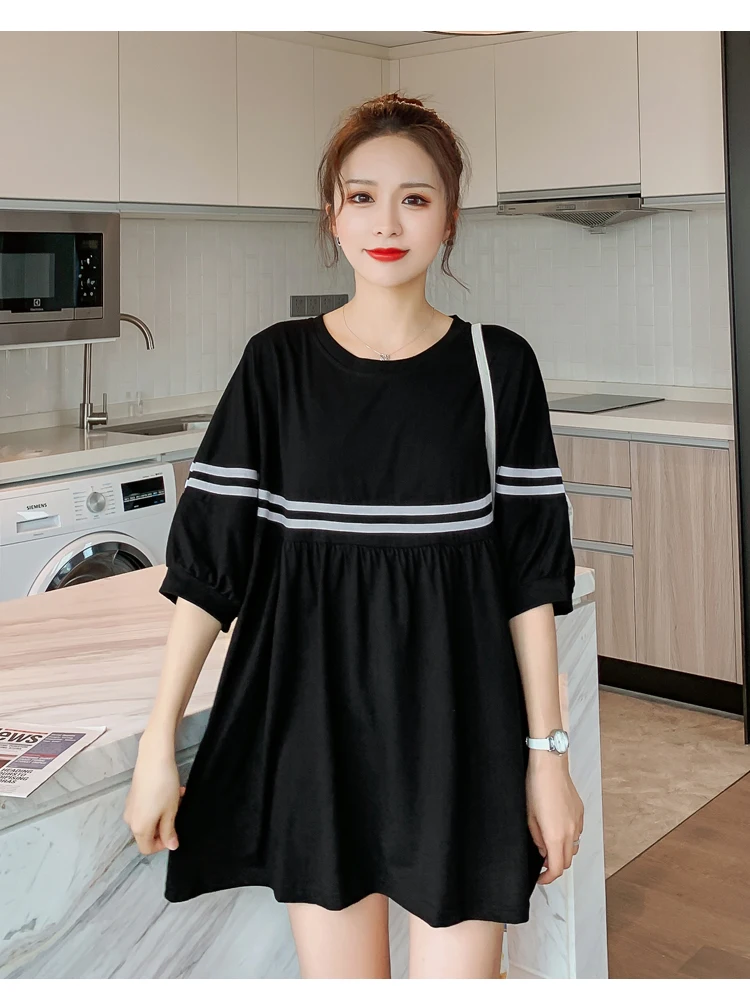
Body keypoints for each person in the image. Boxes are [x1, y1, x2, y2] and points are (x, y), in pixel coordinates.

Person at [123, 92, 584, 979]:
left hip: (461, 732)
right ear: (332, 214)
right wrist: (156, 744)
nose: (387, 222)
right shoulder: (276, 364)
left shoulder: (498, 367)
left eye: (415, 198)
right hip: (315, 732)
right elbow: (211, 572)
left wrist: (548, 757)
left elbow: (529, 580)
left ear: (450, 217)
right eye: (362, 196)